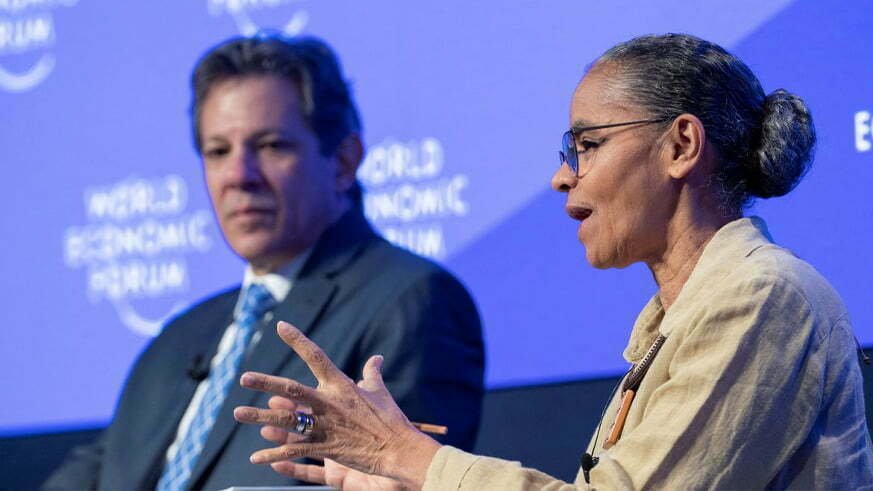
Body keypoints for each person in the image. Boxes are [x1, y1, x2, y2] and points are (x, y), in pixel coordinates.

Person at [231, 33, 873, 489]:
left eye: (587, 145)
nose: (562, 178)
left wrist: (409, 456)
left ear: (681, 145)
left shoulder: (763, 295)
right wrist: (407, 479)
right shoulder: (685, 317)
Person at [43, 34, 484, 490]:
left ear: (343, 161)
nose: (238, 176)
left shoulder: (410, 300)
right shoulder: (179, 338)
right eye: (218, 152)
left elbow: (410, 477)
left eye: (271, 145)